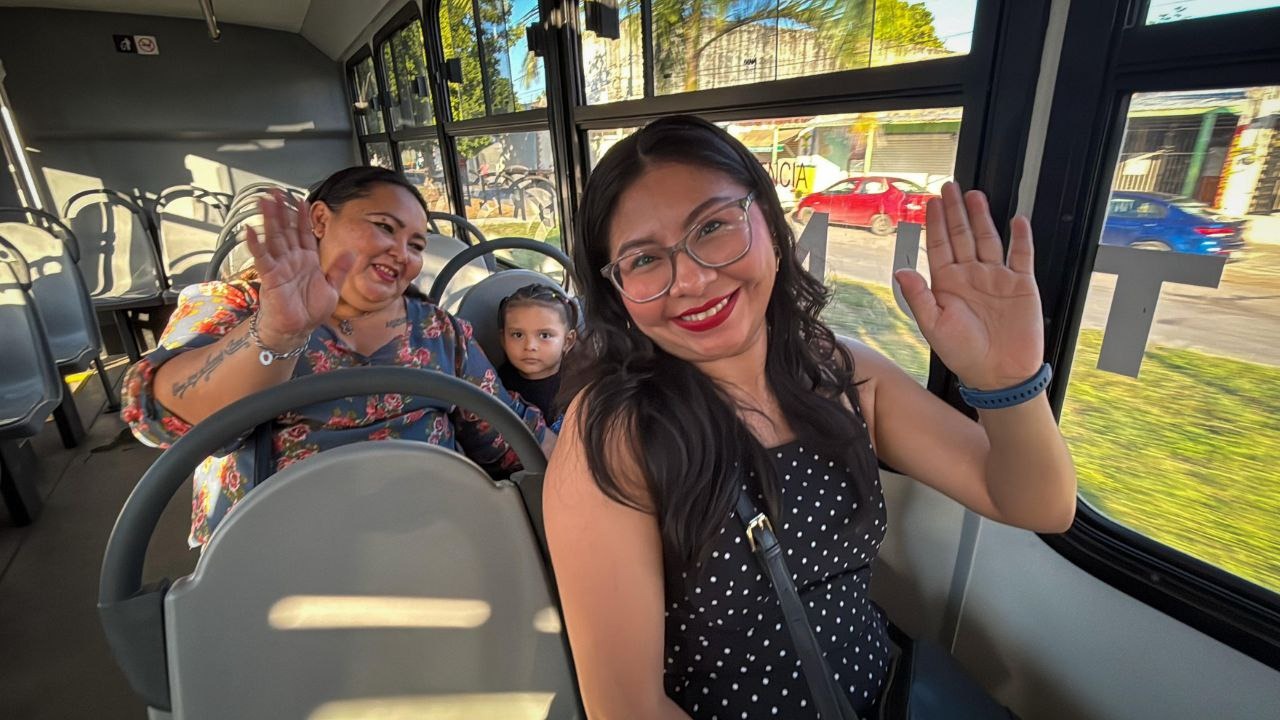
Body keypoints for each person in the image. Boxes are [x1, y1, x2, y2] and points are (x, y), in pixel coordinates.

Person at [543, 116, 1077, 718]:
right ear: (617, 292)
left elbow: (1037, 505)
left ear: (770, 225)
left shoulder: (845, 373)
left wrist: (1006, 383)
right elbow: (629, 710)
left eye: (712, 227)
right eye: (644, 260)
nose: (690, 279)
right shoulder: (613, 433)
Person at [121, 166, 550, 547]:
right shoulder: (236, 306)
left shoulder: (438, 332)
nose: (402, 252)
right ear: (321, 220)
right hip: (277, 554)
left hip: (429, 541)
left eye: (416, 245)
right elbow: (157, 411)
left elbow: (508, 434)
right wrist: (276, 332)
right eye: (384, 227)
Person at [496, 283, 577, 433]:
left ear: (567, 341)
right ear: (503, 340)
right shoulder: (496, 383)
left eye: (545, 335)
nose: (530, 346)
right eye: (518, 335)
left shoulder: (577, 387)